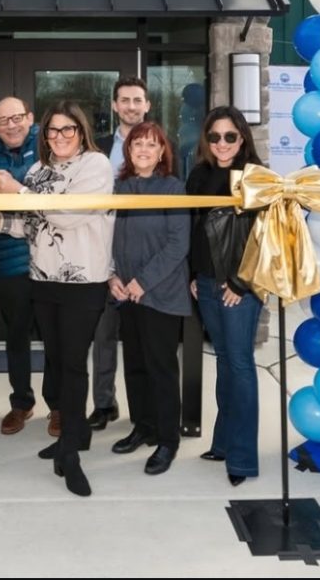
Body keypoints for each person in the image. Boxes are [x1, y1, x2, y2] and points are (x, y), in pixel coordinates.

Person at [0, 102, 114, 497]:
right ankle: (69, 438)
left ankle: (72, 454)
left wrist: (19, 191)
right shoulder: (38, 170)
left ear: (82, 131)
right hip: (42, 278)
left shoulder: (95, 166)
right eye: (52, 131)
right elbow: (29, 222)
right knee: (57, 362)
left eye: (68, 130)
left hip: (83, 281)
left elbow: (66, 215)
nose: (59, 137)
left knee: (74, 365)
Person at [186, 104, 263, 487]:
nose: (221, 143)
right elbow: (192, 228)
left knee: (240, 365)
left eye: (230, 136)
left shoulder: (256, 176)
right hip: (206, 282)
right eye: (214, 136)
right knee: (224, 363)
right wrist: (193, 276)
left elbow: (267, 239)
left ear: (242, 137)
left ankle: (243, 458)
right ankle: (222, 442)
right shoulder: (199, 174)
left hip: (239, 287)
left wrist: (240, 283)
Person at [108, 122, 190, 475]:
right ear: (128, 150)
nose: (143, 149)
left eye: (151, 144)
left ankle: (168, 439)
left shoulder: (174, 189)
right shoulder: (121, 188)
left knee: (161, 369)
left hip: (161, 294)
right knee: (136, 366)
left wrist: (143, 281)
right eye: (136, 143)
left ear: (162, 153)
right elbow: (108, 236)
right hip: (126, 293)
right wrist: (113, 275)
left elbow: (177, 245)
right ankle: (143, 426)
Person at [0, 96, 48, 436]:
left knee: (56, 337)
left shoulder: (51, 146)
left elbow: (53, 198)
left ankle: (59, 405)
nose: (11, 125)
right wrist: (28, 193)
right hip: (10, 261)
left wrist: (15, 188)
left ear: (29, 118)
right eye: (3, 120)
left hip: (51, 261)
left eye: (17, 117)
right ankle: (22, 403)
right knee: (17, 338)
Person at [89, 75, 153, 431]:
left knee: (145, 342)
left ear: (147, 105)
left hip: (145, 258)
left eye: (137, 100)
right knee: (103, 336)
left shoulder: (163, 148)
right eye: (124, 100)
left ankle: (144, 412)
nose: (131, 106)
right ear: (115, 106)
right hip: (102, 254)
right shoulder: (96, 148)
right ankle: (104, 404)